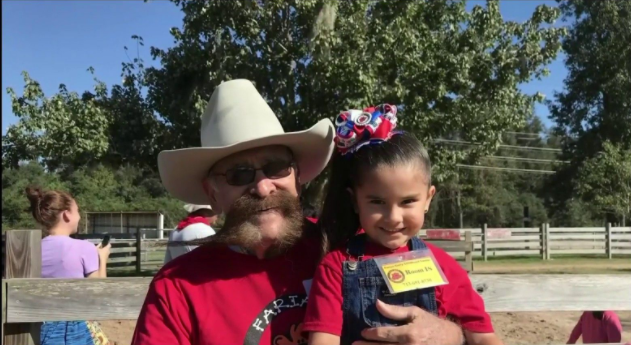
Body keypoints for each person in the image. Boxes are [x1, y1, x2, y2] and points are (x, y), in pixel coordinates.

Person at [132, 79, 474, 345]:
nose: (263, 187)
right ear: (212, 193)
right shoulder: (178, 287)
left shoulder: (350, 248)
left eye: (276, 167)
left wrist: (451, 335)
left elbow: (463, 315)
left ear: (297, 177)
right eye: (239, 174)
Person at [302, 104, 502, 345]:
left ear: (428, 199)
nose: (393, 217)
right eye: (377, 202)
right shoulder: (336, 267)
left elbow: (483, 336)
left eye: (408, 201)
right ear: (355, 201)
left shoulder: (444, 268)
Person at [25, 186, 111, 345]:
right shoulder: (85, 248)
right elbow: (99, 294)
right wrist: (102, 259)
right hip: (75, 327)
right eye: (77, 211)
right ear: (66, 215)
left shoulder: (33, 249)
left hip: (40, 326)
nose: (79, 216)